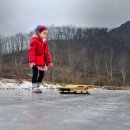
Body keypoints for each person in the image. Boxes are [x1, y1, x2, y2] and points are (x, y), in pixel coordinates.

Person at [28, 25, 53, 93]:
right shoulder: (34, 40)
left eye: (46, 34)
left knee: (41, 74)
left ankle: (38, 87)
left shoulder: (45, 42)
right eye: (43, 33)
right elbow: (32, 51)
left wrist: (49, 61)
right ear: (38, 33)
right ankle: (34, 88)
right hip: (35, 61)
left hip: (42, 61)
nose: (45, 35)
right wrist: (32, 61)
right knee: (35, 74)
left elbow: (47, 52)